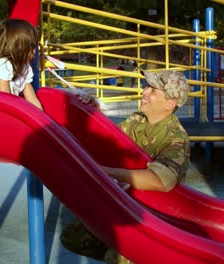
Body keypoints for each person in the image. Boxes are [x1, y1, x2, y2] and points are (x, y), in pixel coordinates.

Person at [61, 70, 191, 264]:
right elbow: (111, 138)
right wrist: (92, 110)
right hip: (125, 207)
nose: (144, 92)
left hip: (153, 221)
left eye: (152, 90)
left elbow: (162, 179)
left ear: (169, 104)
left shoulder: (176, 138)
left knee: (119, 257)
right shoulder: (137, 120)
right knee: (73, 236)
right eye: (146, 87)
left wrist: (106, 172)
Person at [0, 19, 43, 110]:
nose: (34, 52)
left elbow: (33, 100)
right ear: (18, 48)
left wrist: (43, 120)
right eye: (31, 47)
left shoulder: (25, 68)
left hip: (3, 113)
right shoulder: (2, 65)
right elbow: (5, 101)